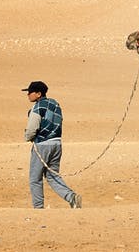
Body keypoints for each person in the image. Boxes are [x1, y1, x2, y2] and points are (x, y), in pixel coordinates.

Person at [23, 81, 81, 209]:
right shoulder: (55, 104)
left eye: (30, 92)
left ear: (38, 94)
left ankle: (38, 208)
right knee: (52, 175)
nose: (28, 95)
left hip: (42, 145)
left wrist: (28, 137)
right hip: (57, 144)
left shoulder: (38, 107)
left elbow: (32, 128)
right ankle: (71, 197)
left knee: (35, 178)